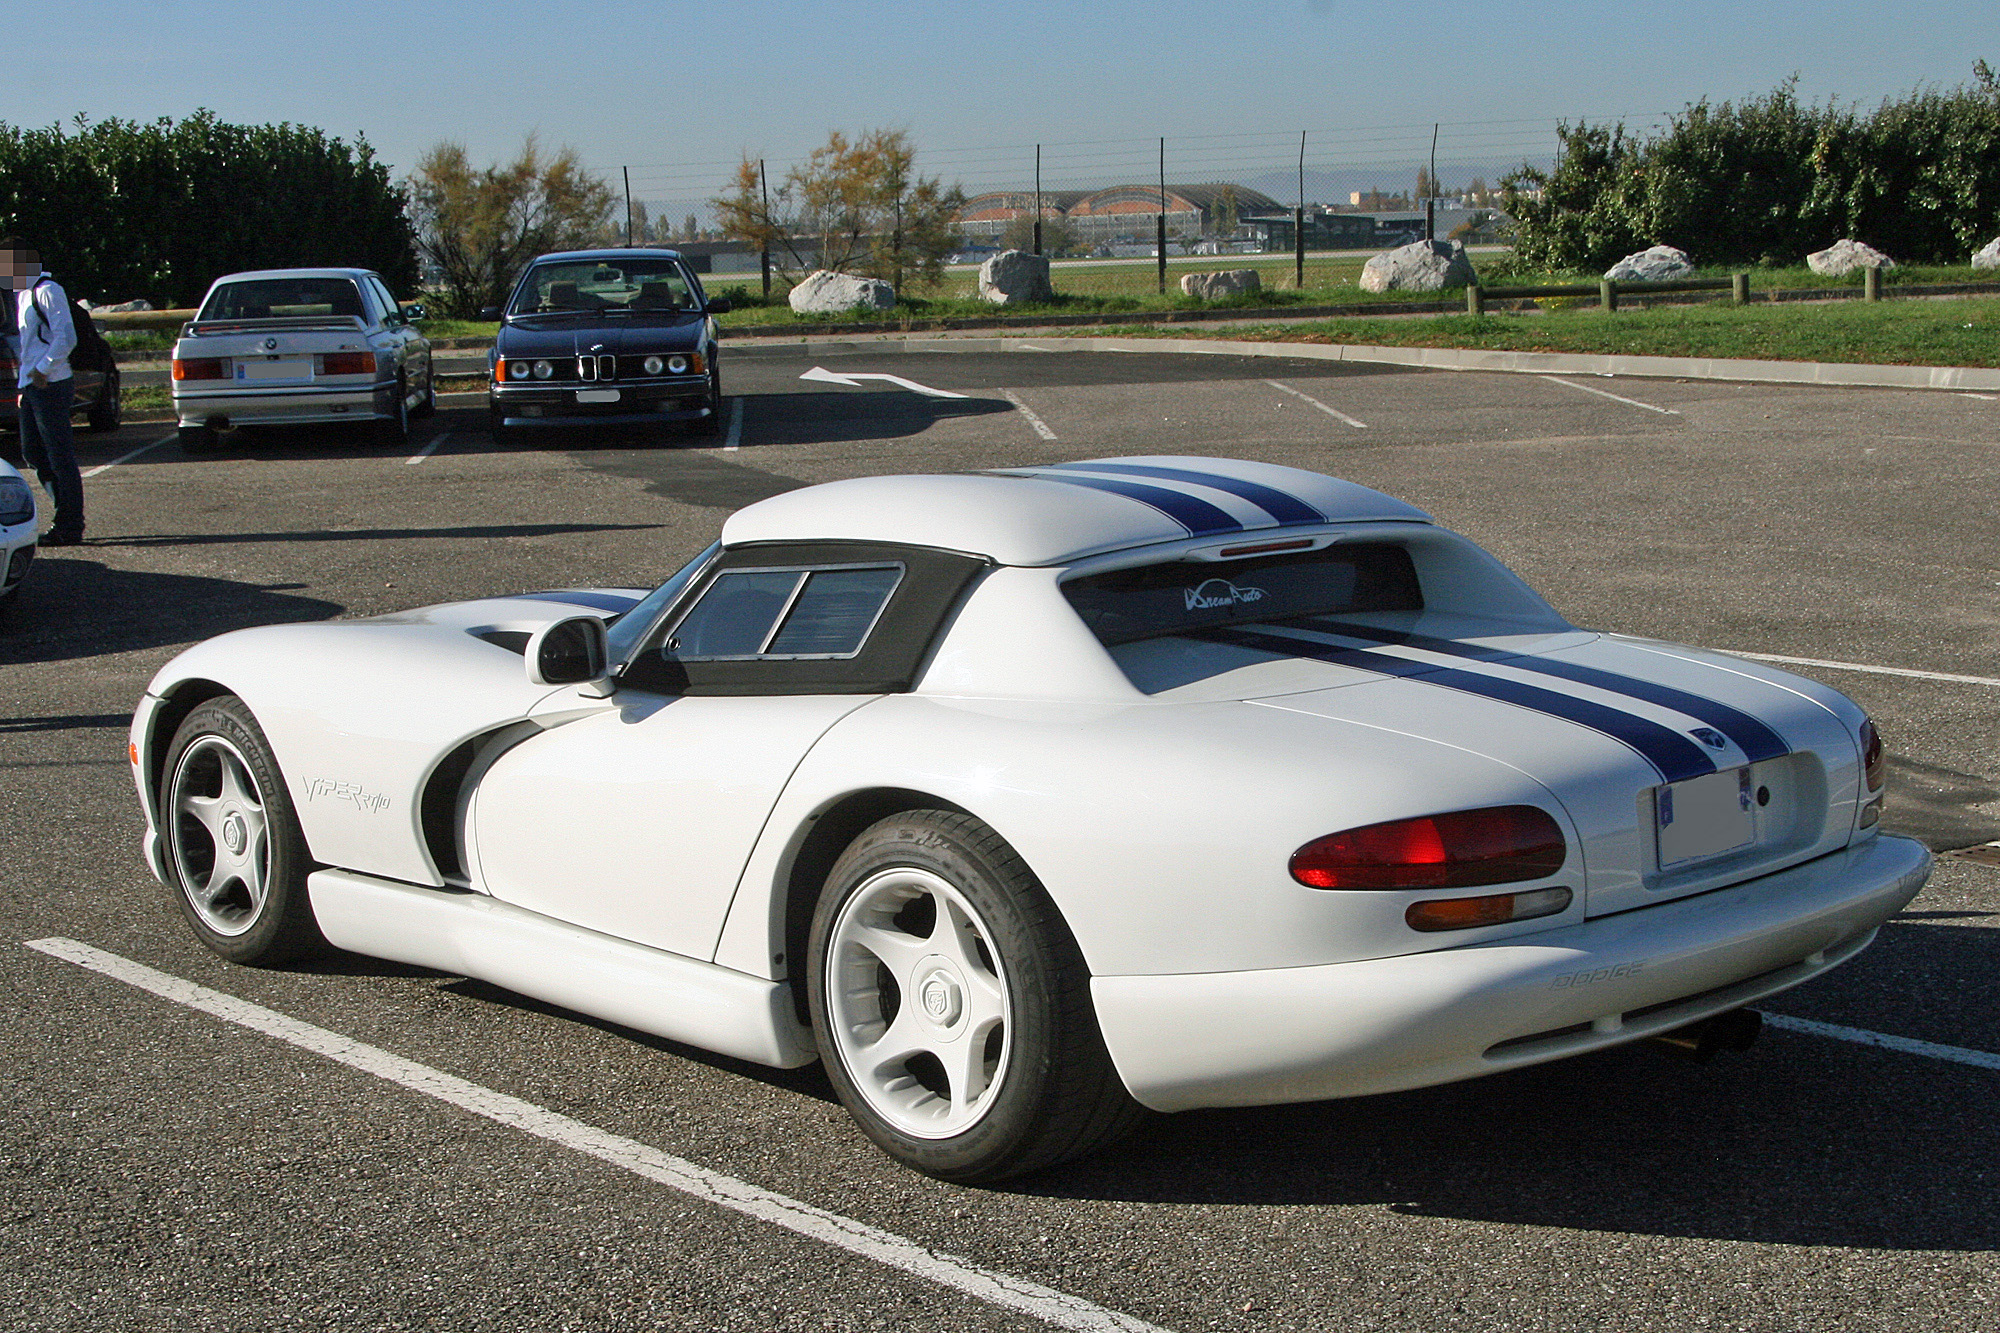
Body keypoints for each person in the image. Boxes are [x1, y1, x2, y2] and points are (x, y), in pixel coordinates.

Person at [3, 236, 84, 545]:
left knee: (60, 455)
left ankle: (70, 524)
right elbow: (27, 344)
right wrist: (26, 380)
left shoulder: (48, 291)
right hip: (32, 385)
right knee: (33, 452)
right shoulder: (22, 295)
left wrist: (42, 369)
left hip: (51, 383)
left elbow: (66, 338)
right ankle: (63, 511)